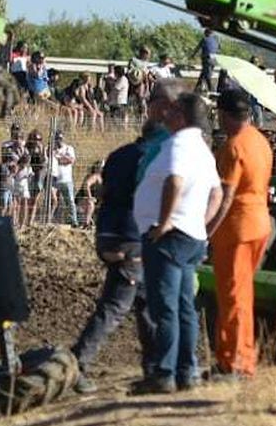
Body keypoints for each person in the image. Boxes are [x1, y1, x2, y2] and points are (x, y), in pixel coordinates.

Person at [132, 92, 222, 394]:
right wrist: (202, 225)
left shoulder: (179, 144)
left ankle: (164, 373)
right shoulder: (203, 149)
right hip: (191, 235)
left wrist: (167, 220)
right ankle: (188, 370)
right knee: (185, 306)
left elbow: (175, 181)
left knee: (165, 307)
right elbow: (217, 195)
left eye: (171, 112)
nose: (165, 116)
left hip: (170, 238)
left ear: (182, 117)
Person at [70, 130, 157, 392]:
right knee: (115, 306)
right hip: (132, 237)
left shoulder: (119, 155)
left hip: (109, 232)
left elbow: (106, 189)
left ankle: (155, 369)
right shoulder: (149, 159)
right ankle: (77, 364)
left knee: (145, 304)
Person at [203, 89, 273, 380]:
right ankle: (229, 359)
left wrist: (206, 231)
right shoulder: (260, 141)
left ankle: (237, 363)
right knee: (240, 294)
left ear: (223, 114)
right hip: (259, 224)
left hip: (236, 229)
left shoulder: (233, 147)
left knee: (233, 297)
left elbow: (225, 196)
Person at [49, 130, 79, 226]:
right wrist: (60, 158)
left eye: (60, 139)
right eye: (57, 139)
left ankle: (73, 221)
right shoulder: (51, 149)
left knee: (70, 201)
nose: (59, 141)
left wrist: (58, 158)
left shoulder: (68, 148)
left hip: (66, 180)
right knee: (52, 201)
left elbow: (70, 160)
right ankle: (50, 219)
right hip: (54, 180)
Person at [194, 28, 219, 93]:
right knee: (204, 73)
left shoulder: (204, 39)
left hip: (207, 59)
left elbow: (197, 48)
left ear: (206, 33)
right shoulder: (216, 40)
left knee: (207, 75)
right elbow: (218, 49)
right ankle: (197, 88)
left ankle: (212, 90)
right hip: (214, 60)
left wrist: (192, 55)